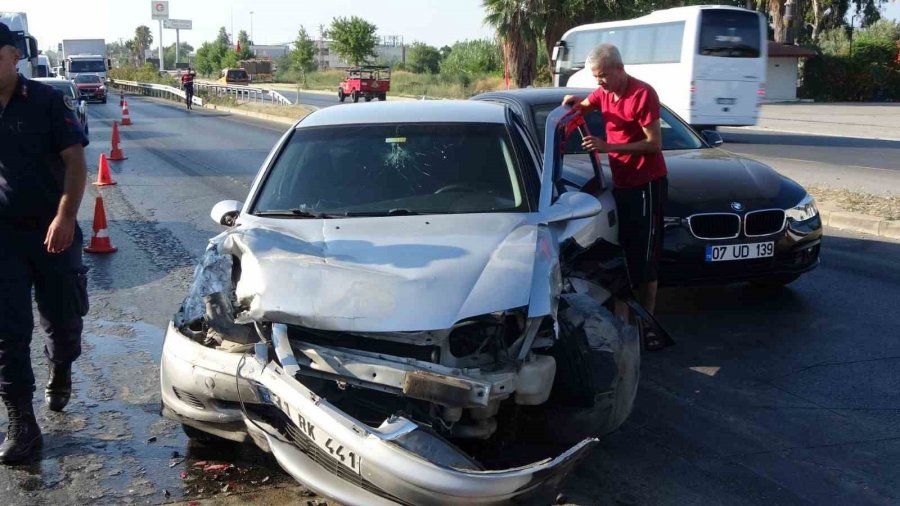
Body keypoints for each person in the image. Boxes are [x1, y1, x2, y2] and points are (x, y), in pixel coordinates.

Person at [0, 22, 90, 463]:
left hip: (54, 228)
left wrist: (66, 215)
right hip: (3, 237)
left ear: (15, 57)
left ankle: (62, 367)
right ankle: (23, 424)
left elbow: (75, 162)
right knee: (7, 331)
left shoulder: (47, 103)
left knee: (63, 316)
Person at [562, 44, 668, 351]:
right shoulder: (603, 93)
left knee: (645, 258)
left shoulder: (643, 94)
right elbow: (584, 105)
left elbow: (654, 144)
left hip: (647, 183)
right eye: (596, 77)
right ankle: (627, 317)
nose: (599, 83)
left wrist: (608, 147)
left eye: (603, 76)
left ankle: (648, 322)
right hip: (622, 183)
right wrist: (573, 107)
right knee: (627, 249)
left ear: (620, 69)